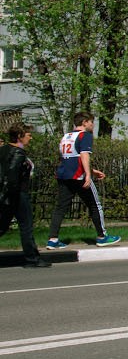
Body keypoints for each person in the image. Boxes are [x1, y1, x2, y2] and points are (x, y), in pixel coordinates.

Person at [47, 112, 120, 248]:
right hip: (79, 177)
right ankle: (102, 237)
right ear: (85, 122)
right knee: (95, 205)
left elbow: (70, 158)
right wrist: (88, 174)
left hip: (64, 176)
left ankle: (53, 239)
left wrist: (92, 171)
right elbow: (83, 155)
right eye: (91, 122)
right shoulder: (85, 135)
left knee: (60, 208)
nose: (93, 125)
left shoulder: (66, 136)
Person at [0, 124, 50, 267]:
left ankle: (33, 257)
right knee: (26, 226)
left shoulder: (3, 150)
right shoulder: (18, 153)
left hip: (6, 195)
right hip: (17, 195)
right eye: (28, 135)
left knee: (2, 226)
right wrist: (13, 195)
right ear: (20, 136)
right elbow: (12, 176)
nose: (31, 137)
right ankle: (32, 259)